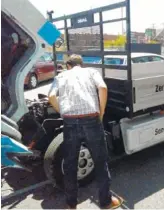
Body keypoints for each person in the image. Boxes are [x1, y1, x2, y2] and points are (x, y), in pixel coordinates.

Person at [48, 54, 123, 209]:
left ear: (68, 65)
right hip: (91, 120)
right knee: (100, 162)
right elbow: (102, 88)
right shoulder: (91, 72)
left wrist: (62, 112)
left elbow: (51, 96)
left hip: (70, 121)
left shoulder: (61, 76)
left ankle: (71, 204)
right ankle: (106, 202)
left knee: (70, 164)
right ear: (80, 64)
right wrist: (101, 112)